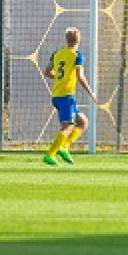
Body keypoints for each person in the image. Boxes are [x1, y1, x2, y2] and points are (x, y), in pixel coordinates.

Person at [42, 27, 96, 166]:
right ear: (79, 40)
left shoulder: (57, 53)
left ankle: (64, 147)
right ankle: (50, 154)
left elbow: (47, 71)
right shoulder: (78, 56)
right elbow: (80, 76)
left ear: (66, 40)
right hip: (66, 96)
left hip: (56, 95)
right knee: (67, 126)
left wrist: (59, 78)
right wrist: (90, 92)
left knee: (83, 122)